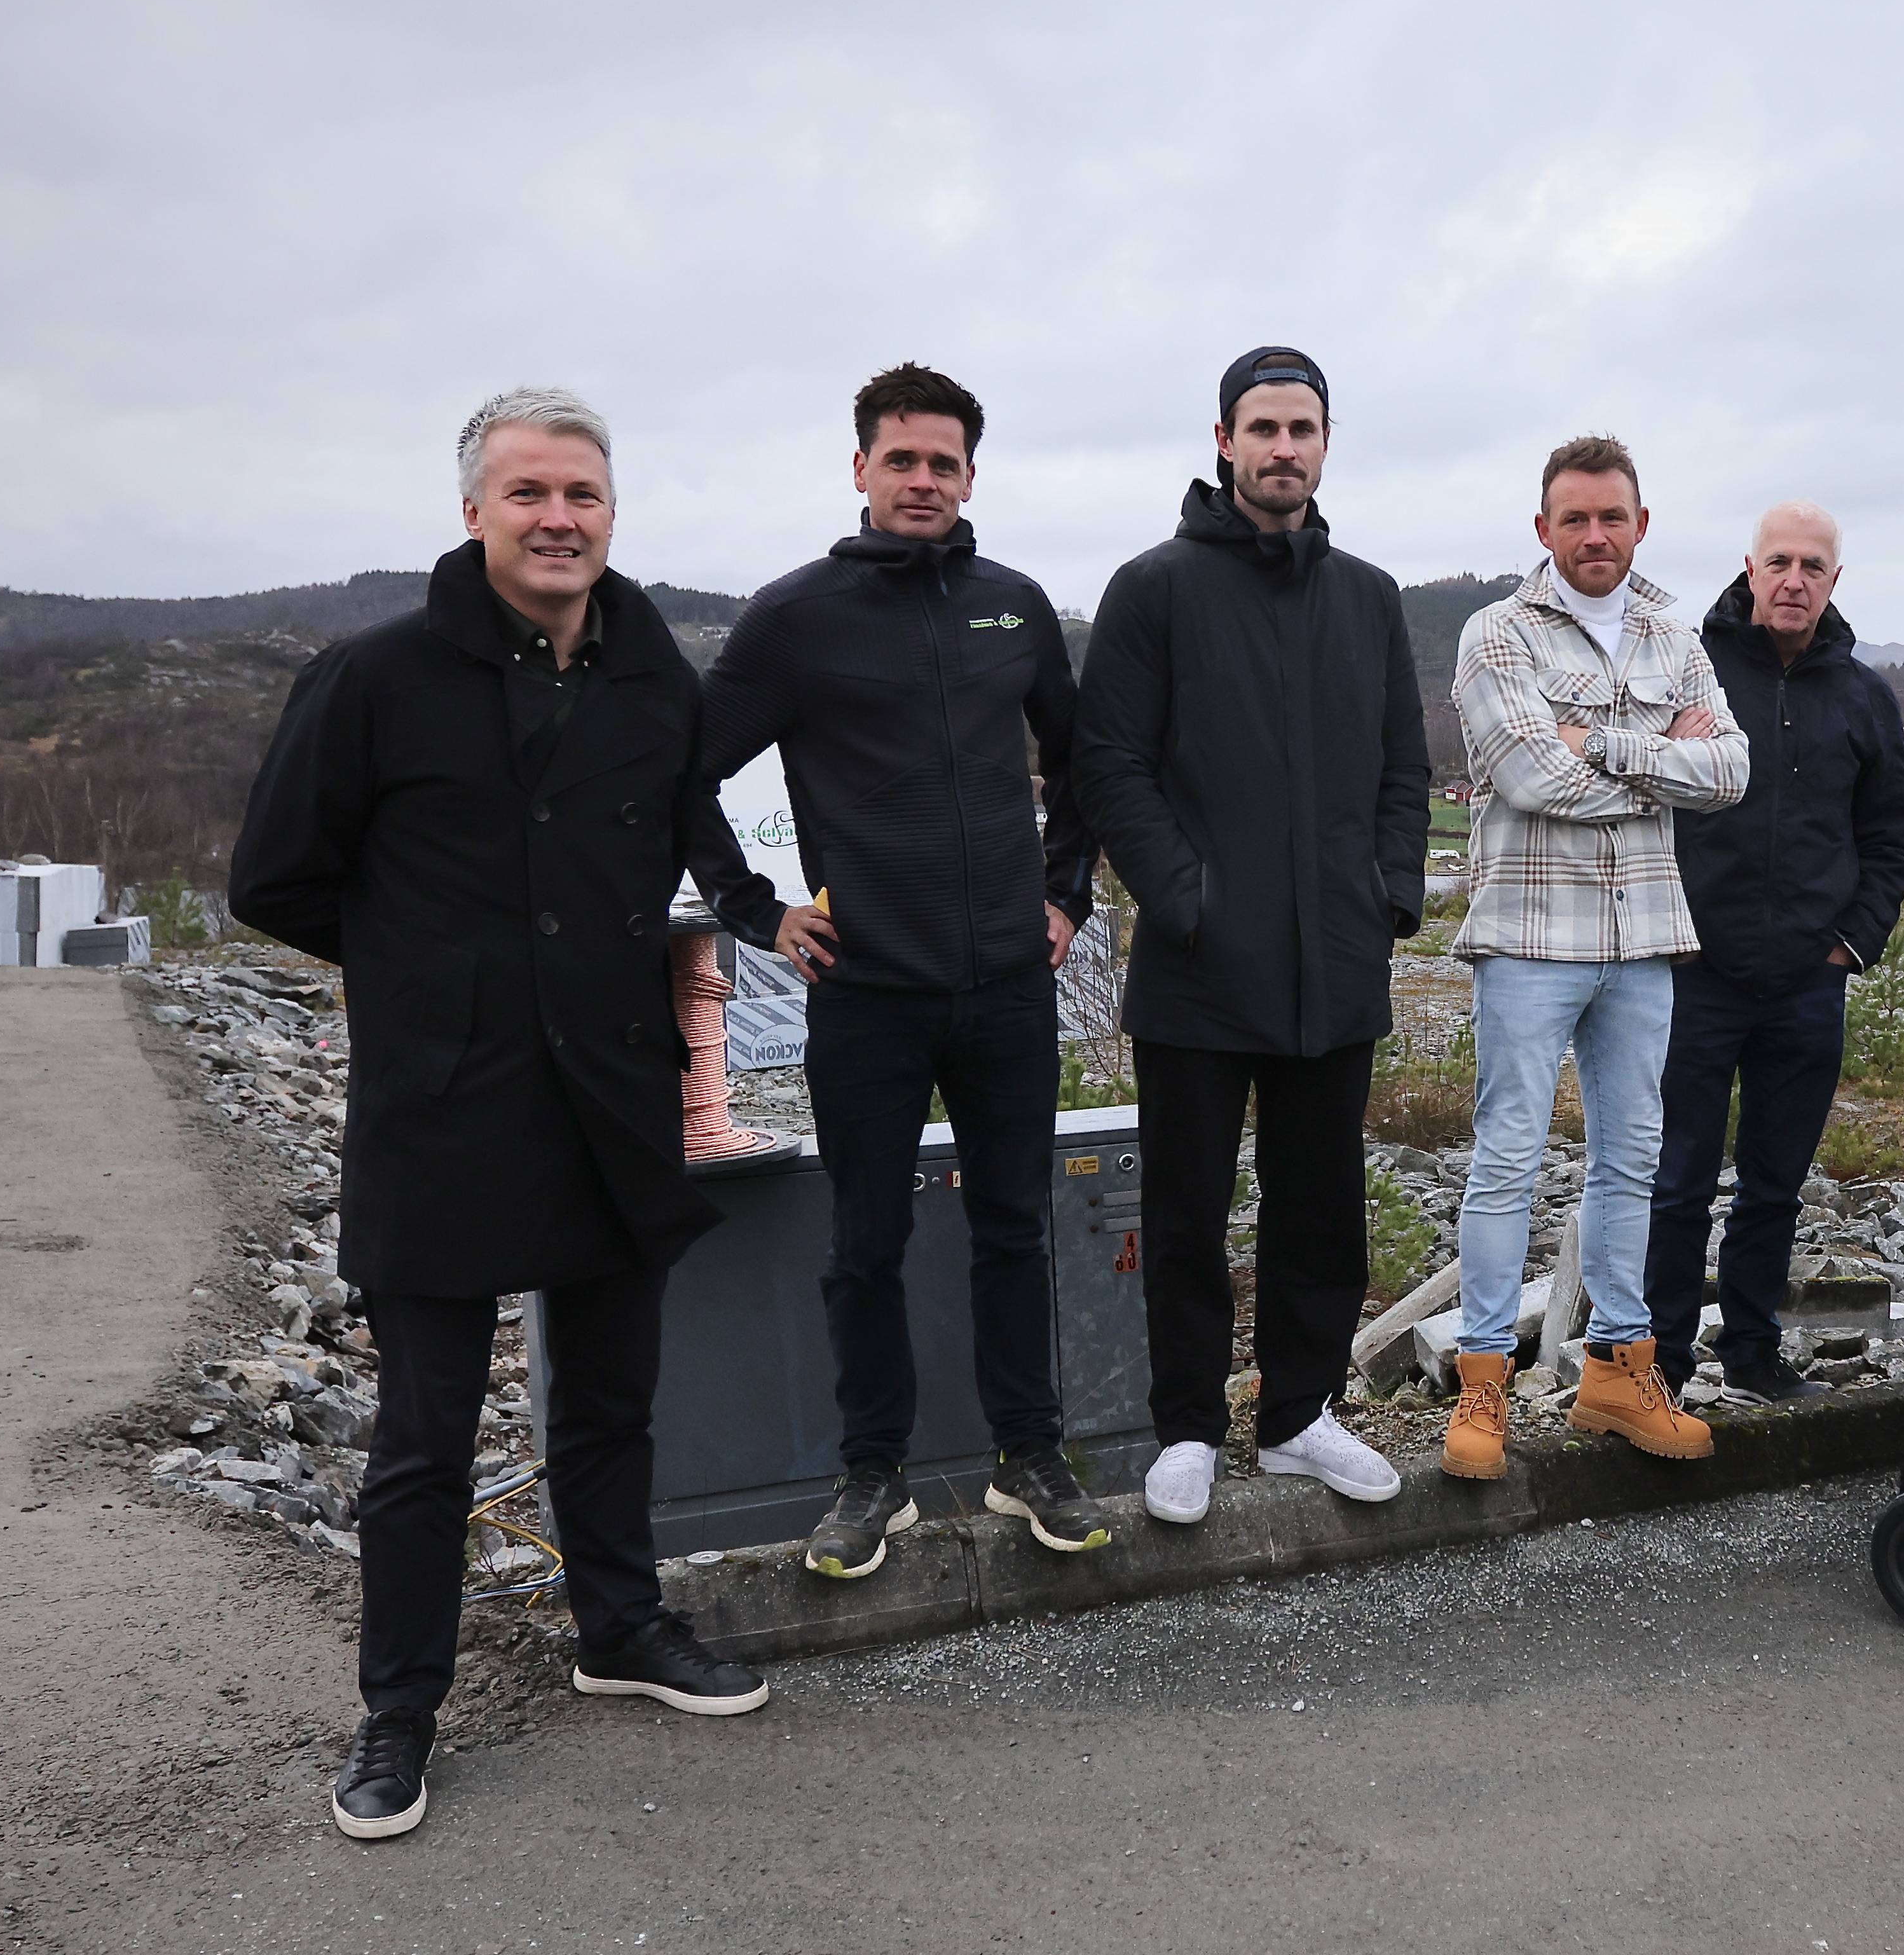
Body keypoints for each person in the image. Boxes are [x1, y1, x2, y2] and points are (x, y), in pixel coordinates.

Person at [229, 385, 770, 1844]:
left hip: (610, 1088)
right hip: (444, 1098)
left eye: (581, 494)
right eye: (528, 493)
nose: (557, 518)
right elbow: (270, 877)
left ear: (612, 512)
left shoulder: (654, 682)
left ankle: (618, 1627)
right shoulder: (373, 678)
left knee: (608, 1400)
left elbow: (694, 844)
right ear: (473, 510)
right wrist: (431, 972)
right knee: (424, 1436)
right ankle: (397, 1712)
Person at [696, 363, 1109, 1578]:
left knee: (1014, 1228)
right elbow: (681, 770)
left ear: (970, 475)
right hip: (869, 992)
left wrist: (1067, 895)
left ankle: (1029, 1453)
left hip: (1007, 988)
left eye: (944, 462)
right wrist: (755, 909)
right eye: (902, 459)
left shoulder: (1013, 607)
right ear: (861, 467)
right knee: (863, 1242)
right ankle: (871, 1475)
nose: (923, 479)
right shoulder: (794, 617)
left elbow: (1081, 762)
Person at [1076, 346, 1434, 1526]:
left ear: (1326, 443)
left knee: (1320, 1203)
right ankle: (1187, 1426)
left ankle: (1297, 1416)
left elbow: (1402, 767)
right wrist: (1186, 898)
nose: (1285, 448)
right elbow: (1109, 765)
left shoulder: (1369, 596)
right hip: (1196, 967)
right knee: (1185, 1207)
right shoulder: (1154, 588)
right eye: (1264, 428)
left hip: (1336, 957)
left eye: (1304, 429)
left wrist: (1386, 896)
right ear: (1225, 441)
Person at [1437, 436, 1750, 1479]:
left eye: (1612, 516)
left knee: (1633, 1157)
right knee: (1507, 1158)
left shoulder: (1674, 636)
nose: (1595, 534)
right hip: (1530, 937)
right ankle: (1483, 1385)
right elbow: (1534, 778)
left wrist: (1603, 742)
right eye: (1574, 518)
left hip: (1645, 938)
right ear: (1544, 529)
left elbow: (1732, 772)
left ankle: (1618, 1372)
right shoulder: (1496, 633)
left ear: (1640, 523)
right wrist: (1667, 761)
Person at [1648, 502, 1904, 1405]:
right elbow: (1640, 802)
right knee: (1676, 1181)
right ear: (1749, 570)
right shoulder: (1687, 672)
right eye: (1779, 563)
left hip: (1807, 982)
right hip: (1693, 974)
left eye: (1811, 566)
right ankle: (1660, 1361)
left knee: (1774, 1186)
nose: (1794, 580)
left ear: (1834, 580)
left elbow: (1887, 838)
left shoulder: (1864, 697)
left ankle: (1753, 1354)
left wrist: (1852, 944)